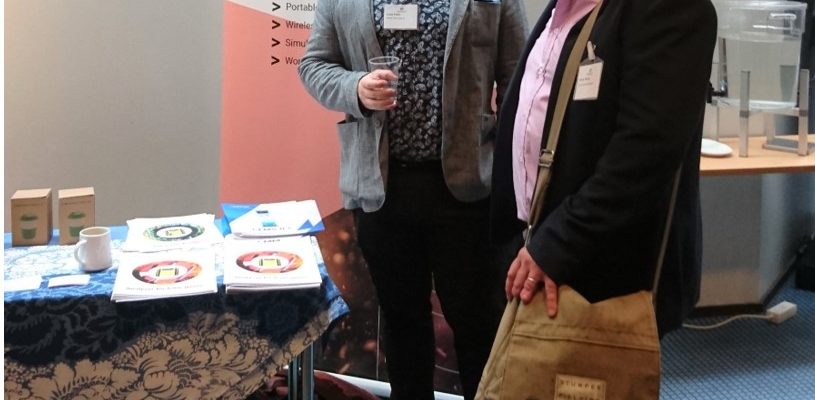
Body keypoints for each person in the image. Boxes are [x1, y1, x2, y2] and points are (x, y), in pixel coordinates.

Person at [298, 1, 528, 398]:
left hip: (469, 189)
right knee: (402, 323)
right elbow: (314, 65)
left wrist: (517, 174)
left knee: (478, 323)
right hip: (382, 189)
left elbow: (518, 77)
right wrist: (355, 88)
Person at [490, 0, 717, 336]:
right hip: (535, 249)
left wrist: (554, 246)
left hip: (597, 270)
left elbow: (643, 154)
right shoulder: (567, 7)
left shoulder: (670, 7)